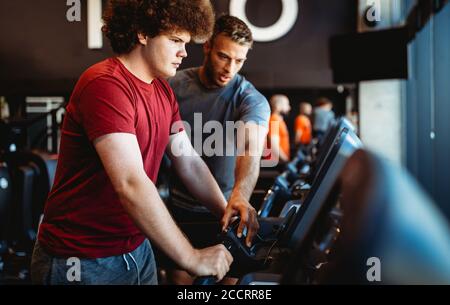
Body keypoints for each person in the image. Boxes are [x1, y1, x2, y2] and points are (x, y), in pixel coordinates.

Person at [30, 0, 255, 285]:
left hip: (137, 248)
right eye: (175, 40)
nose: (184, 52)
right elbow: (131, 182)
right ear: (143, 33)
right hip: (82, 259)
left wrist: (226, 212)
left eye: (186, 42)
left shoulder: (161, 89)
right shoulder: (105, 85)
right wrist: (191, 257)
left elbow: (189, 162)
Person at [168, 15, 269, 235]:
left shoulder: (250, 99)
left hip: (222, 207)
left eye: (239, 61)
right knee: (179, 269)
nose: (230, 69)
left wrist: (241, 194)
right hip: (173, 203)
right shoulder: (172, 86)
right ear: (207, 47)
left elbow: (250, 148)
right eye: (223, 57)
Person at [265, 94, 291, 164]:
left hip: (280, 161)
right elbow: (274, 146)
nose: (289, 108)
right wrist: (286, 161)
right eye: (287, 104)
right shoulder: (274, 120)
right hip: (277, 162)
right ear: (278, 105)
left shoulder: (279, 120)